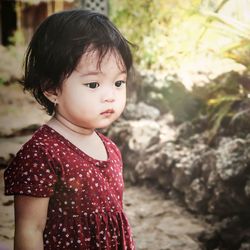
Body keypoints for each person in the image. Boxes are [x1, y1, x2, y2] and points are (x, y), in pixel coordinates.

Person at [4, 9, 135, 250]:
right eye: (93, 84)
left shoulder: (110, 148)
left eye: (119, 82)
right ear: (52, 89)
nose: (110, 96)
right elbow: (30, 229)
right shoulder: (42, 154)